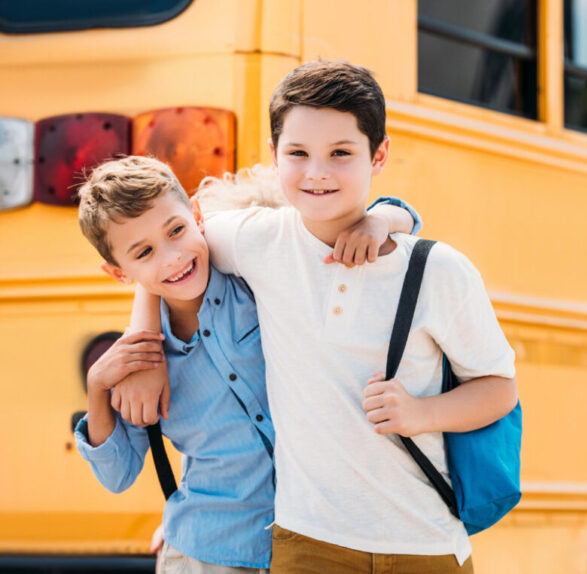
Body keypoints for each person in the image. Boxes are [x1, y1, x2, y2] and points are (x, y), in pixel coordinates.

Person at [128, 60, 518, 574]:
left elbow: (499, 388)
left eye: (341, 153)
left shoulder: (437, 270)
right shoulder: (255, 240)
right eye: (297, 153)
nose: (317, 172)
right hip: (307, 544)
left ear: (378, 155)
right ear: (273, 156)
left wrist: (422, 414)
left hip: (426, 542)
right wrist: (144, 347)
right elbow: (165, 258)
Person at [73, 155, 421, 574]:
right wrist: (97, 387)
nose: (172, 258)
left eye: (177, 231)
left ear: (198, 216)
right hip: (206, 549)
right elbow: (118, 475)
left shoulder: (258, 282)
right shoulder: (137, 363)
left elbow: (399, 219)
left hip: (314, 545)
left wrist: (379, 221)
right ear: (118, 273)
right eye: (144, 252)